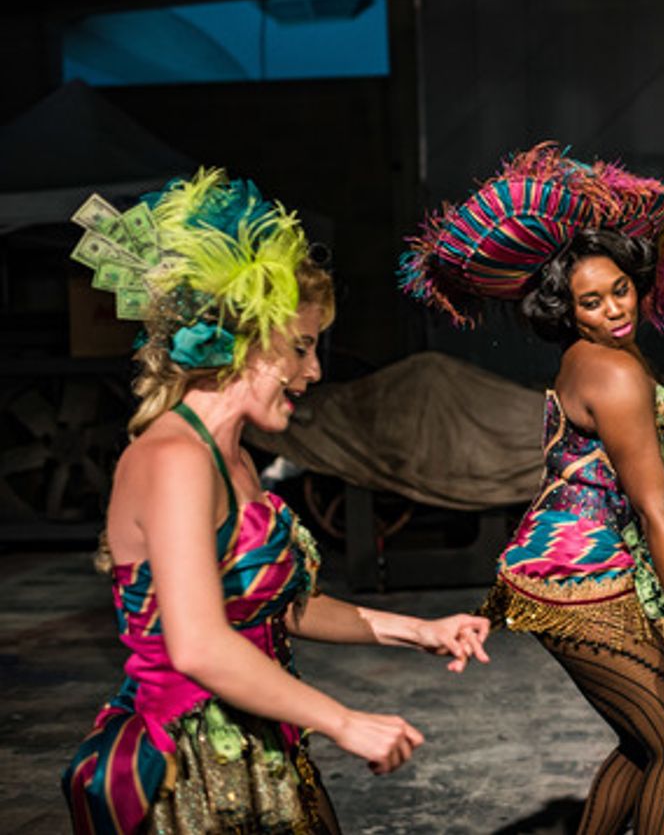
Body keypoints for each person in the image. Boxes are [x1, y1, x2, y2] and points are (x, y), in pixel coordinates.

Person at [62, 170, 492, 834]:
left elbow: (277, 608)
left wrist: (418, 629)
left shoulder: (232, 455)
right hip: (194, 771)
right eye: (299, 346)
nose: (314, 370)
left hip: (263, 741)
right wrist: (344, 719)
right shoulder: (175, 458)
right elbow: (200, 645)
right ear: (240, 340)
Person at [401, 143, 664, 834]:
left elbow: (636, 483)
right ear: (567, 311)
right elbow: (653, 502)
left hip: (562, 566)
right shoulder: (616, 372)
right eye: (591, 302)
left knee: (646, 743)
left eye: (620, 291)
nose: (613, 310)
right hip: (577, 575)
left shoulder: (594, 357)